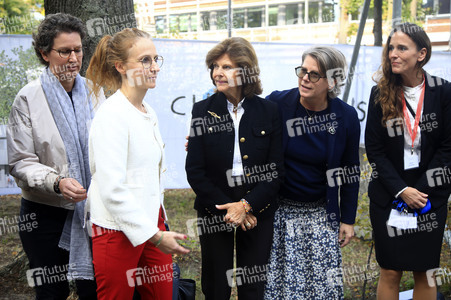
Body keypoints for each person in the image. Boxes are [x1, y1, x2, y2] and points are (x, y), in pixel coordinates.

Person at [85, 28, 189, 300]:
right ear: (120, 66)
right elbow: (111, 189)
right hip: (115, 230)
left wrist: (157, 228)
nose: (154, 67)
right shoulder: (112, 115)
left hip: (151, 223)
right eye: (145, 60)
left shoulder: (148, 111)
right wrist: (156, 236)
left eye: (156, 59)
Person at [7, 13, 99, 299]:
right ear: (44, 53)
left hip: (93, 209)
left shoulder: (95, 92)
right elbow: (20, 161)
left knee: (95, 288)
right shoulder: (27, 98)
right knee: (50, 292)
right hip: (44, 214)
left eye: (78, 49)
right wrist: (57, 182)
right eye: (64, 51)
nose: (74, 58)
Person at [185, 37, 284, 300]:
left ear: (246, 70)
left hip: (257, 211)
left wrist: (247, 206)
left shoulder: (269, 111)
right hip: (214, 209)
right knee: (216, 286)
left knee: (253, 287)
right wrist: (231, 209)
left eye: (226, 66)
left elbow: (275, 172)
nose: (218, 72)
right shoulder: (201, 111)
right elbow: (195, 170)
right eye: (215, 66)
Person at [264, 46, 360, 299]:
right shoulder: (277, 103)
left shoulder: (346, 117)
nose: (305, 78)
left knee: (321, 288)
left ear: (333, 81)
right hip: (280, 213)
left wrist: (347, 219)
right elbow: (246, 133)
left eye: (314, 74)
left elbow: (350, 172)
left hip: (320, 213)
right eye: (302, 71)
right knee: (279, 287)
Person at [365, 22, 451, 300]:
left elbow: (448, 148)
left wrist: (420, 192)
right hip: (390, 196)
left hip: (429, 196)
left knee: (425, 270)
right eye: (391, 47)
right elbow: (375, 151)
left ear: (421, 54)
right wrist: (402, 191)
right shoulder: (380, 93)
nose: (393, 54)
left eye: (402, 48)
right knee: (390, 270)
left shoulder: (444, 92)